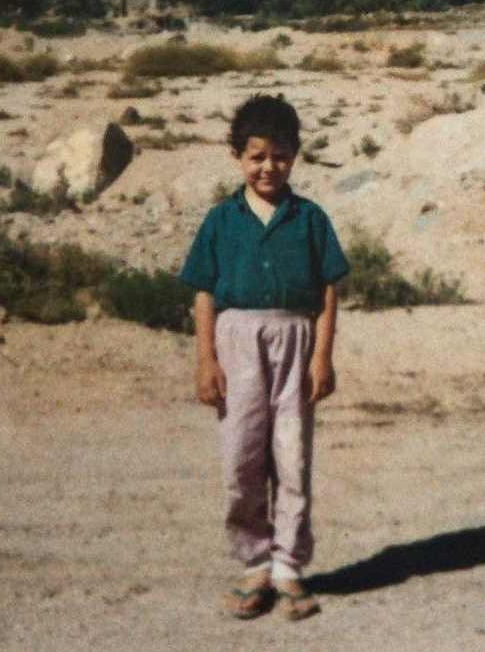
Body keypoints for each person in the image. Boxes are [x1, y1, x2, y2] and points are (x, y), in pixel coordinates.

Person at [179, 94, 350, 620]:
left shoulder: (310, 219)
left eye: (278, 155)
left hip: (295, 343)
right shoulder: (220, 221)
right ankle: (253, 561)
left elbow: (327, 291)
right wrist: (205, 360)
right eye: (256, 156)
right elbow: (203, 294)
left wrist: (322, 357)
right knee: (241, 458)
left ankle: (288, 567)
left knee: (292, 457)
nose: (267, 167)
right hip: (236, 345)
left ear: (295, 155)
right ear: (236, 156)